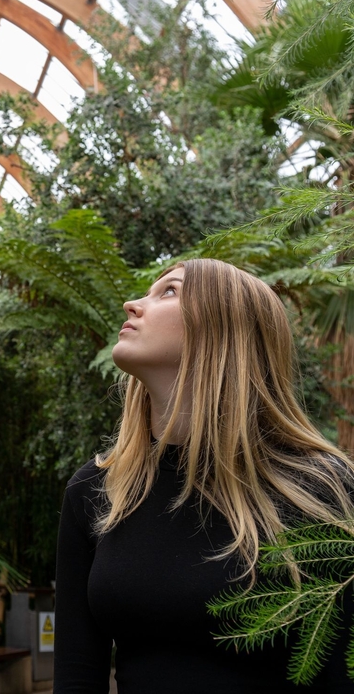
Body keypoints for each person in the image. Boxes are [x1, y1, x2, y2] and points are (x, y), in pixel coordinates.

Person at [53, 258, 354, 693]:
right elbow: (77, 674)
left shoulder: (321, 487)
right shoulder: (99, 488)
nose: (132, 305)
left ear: (225, 328)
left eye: (169, 291)